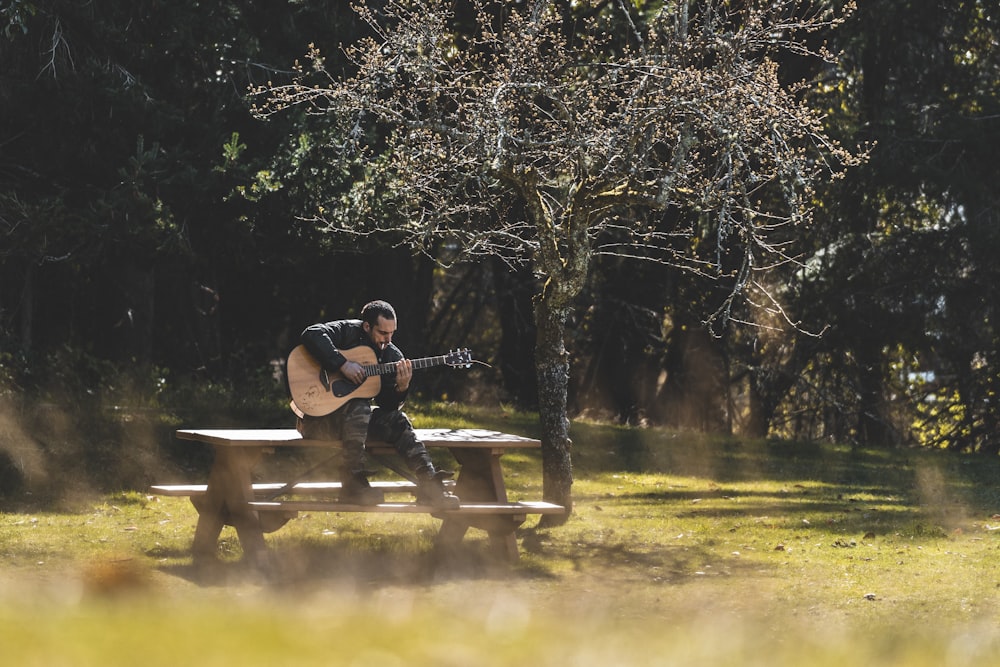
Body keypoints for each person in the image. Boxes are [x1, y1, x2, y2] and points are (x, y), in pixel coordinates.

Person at [295, 299, 460, 509]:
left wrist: (401, 388)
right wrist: (342, 364)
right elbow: (311, 333)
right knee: (361, 407)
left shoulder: (392, 356)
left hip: (355, 426)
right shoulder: (348, 332)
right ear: (366, 326)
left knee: (399, 420)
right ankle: (352, 485)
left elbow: (387, 406)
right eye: (383, 333)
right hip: (316, 421)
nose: (387, 339)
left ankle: (430, 486)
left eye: (392, 333)